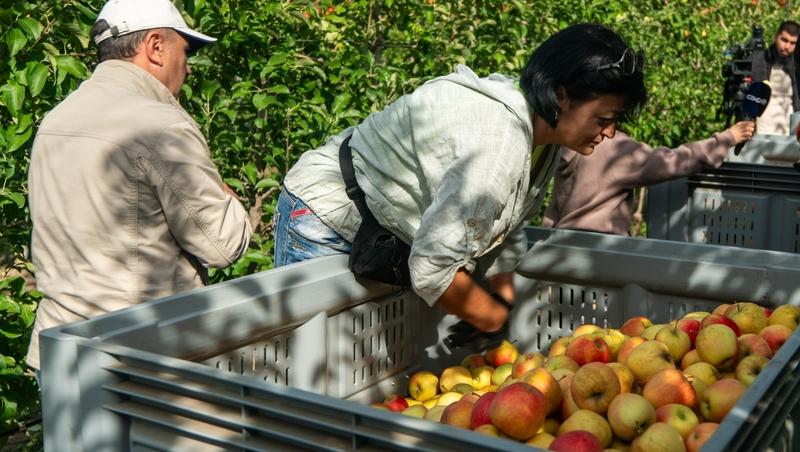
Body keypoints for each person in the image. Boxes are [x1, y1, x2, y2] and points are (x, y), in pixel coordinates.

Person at [274, 23, 647, 347]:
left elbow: (504, 217)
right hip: (327, 217)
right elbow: (432, 267)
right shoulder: (498, 144)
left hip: (378, 233)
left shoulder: (543, 138)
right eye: (603, 119)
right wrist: (490, 317)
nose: (610, 132)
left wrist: (502, 297)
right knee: (315, 366)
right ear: (561, 95)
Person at [25, 0, 252, 374]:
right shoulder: (160, 126)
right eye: (186, 51)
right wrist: (226, 195)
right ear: (156, 46)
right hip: (138, 356)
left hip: (58, 348)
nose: (188, 67)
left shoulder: (54, 120)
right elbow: (222, 245)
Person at [542, 121, 756, 236]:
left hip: (563, 247)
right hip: (601, 255)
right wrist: (726, 138)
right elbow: (671, 162)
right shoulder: (612, 149)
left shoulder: (569, 142)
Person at [750, 21, 800, 134]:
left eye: (793, 43)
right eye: (784, 40)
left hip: (789, 134)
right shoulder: (759, 60)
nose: (787, 47)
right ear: (776, 37)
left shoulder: (796, 67)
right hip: (760, 133)